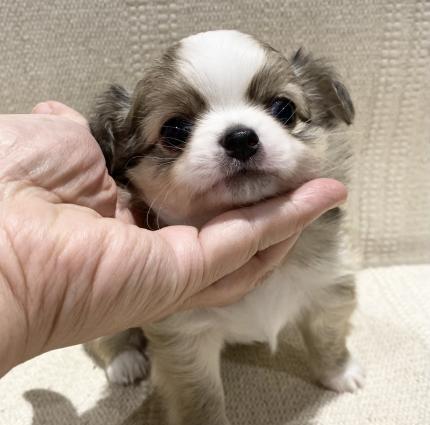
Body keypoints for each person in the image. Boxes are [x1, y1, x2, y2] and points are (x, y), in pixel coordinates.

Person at [0, 101, 347, 377]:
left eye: (282, 111)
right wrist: (17, 278)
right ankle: (114, 349)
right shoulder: (140, 250)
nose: (241, 136)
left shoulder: (323, 243)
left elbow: (333, 301)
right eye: (176, 132)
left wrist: (335, 363)